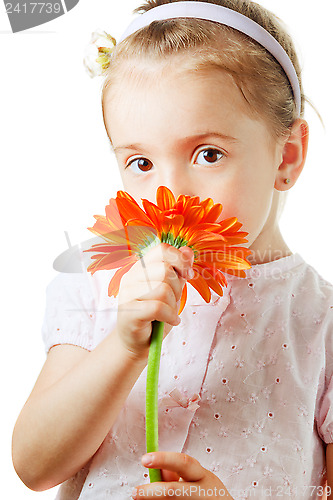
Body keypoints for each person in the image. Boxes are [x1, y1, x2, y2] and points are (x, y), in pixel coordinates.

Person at [12, 1, 333, 499]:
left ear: (286, 155)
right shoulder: (99, 281)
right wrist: (122, 346)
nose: (171, 192)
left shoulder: (322, 323)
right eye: (140, 162)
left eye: (208, 154)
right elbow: (33, 466)